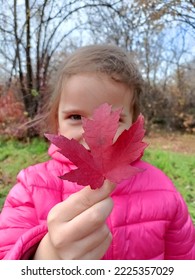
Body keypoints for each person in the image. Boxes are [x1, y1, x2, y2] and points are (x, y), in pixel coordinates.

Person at [0, 44, 195, 260]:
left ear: (134, 126)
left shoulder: (164, 192)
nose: (93, 137)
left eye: (113, 119)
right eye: (75, 117)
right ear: (56, 123)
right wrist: (44, 259)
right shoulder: (30, 189)